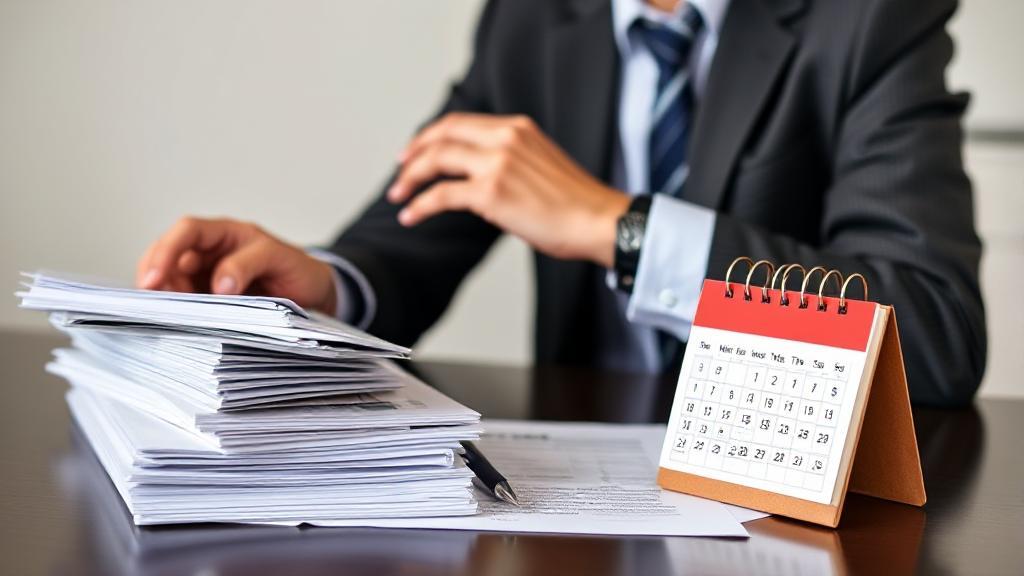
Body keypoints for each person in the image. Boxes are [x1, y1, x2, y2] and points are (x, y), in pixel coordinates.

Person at [136, 0, 985, 407]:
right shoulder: (534, 21)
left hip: (786, 501)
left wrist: (621, 231)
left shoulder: (872, 20)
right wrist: (323, 284)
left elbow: (935, 336)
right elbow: (420, 222)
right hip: (573, 500)